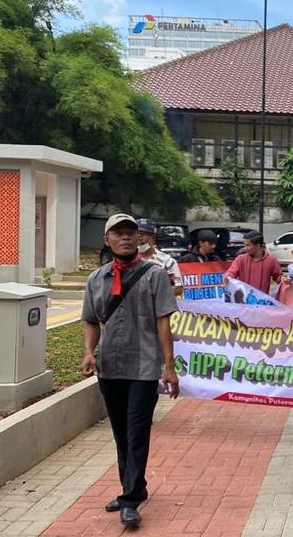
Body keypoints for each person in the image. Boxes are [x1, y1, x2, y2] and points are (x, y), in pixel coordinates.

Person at [80, 214, 180, 529]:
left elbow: (164, 320)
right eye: (117, 233)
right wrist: (88, 353)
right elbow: (90, 320)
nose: (125, 238)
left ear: (138, 239)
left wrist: (169, 365)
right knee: (121, 432)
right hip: (110, 366)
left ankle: (130, 499)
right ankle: (133, 486)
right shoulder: (96, 278)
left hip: (144, 366)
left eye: (130, 233)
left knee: (138, 431)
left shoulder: (154, 275)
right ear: (107, 240)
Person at [136, 219, 182, 297]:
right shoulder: (126, 260)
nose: (139, 237)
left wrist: (153, 296)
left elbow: (178, 288)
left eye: (143, 234)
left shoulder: (167, 261)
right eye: (136, 234)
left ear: (153, 238)